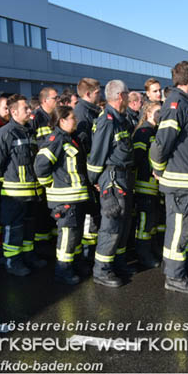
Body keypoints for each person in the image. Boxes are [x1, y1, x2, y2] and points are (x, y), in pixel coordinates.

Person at [150, 61, 188, 294]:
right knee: (179, 230)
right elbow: (161, 143)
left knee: (185, 230)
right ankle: (174, 277)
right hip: (179, 181)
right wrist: (158, 168)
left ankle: (179, 269)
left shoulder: (185, 104)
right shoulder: (176, 105)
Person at [0, 94, 47, 276]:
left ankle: (28, 255)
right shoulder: (4, 133)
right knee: (13, 228)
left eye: (29, 108)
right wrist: (7, 183)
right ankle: (13, 261)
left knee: (30, 227)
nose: (30, 111)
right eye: (25, 109)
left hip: (32, 192)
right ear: (13, 112)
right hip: (15, 195)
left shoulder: (29, 131)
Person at [35, 106, 91, 285]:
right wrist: (47, 184)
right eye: (72, 118)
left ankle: (74, 263)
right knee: (67, 235)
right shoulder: (56, 139)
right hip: (64, 197)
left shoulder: (70, 139)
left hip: (76, 196)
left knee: (75, 234)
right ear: (62, 121)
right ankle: (63, 268)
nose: (75, 120)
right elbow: (41, 164)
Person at [87, 80, 135, 288]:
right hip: (112, 179)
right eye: (128, 94)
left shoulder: (120, 119)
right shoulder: (107, 120)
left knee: (122, 225)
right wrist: (96, 181)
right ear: (121, 96)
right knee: (111, 225)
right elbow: (97, 155)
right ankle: (102, 270)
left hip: (123, 178)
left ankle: (117, 262)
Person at [73, 78, 103, 262]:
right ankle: (87, 256)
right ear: (88, 94)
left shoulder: (93, 111)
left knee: (95, 216)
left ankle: (92, 254)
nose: (100, 95)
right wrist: (92, 178)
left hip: (94, 171)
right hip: (89, 174)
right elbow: (85, 149)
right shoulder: (82, 114)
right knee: (89, 219)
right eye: (98, 92)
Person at [131, 101, 162, 269]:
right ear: (149, 113)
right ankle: (143, 254)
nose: (160, 115)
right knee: (145, 221)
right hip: (144, 184)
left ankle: (152, 248)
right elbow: (137, 158)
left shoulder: (155, 131)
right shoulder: (144, 132)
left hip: (154, 185)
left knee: (153, 220)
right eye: (158, 112)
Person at [31, 87, 59, 248]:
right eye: (55, 98)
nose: (58, 101)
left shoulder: (55, 117)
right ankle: (42, 246)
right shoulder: (36, 118)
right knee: (41, 211)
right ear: (44, 100)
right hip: (42, 172)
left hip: (55, 171)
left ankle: (52, 242)